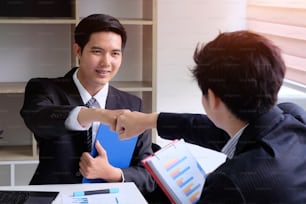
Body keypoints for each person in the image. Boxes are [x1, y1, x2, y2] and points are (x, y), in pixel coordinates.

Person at [111, 31, 306, 203]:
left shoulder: (229, 183)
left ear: (212, 98)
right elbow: (219, 130)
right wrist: (149, 120)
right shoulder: (293, 116)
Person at [20, 13, 156, 195]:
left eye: (115, 53)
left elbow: (148, 176)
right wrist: (99, 114)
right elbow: (39, 119)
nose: (106, 62)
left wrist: (113, 174)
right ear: (78, 51)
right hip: (54, 198)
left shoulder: (132, 104)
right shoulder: (44, 88)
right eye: (97, 51)